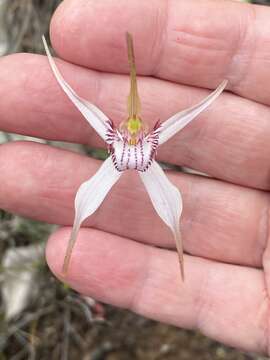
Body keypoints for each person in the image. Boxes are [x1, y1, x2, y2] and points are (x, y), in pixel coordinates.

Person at [0, 0, 269, 355]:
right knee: (83, 208)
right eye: (130, 127)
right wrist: (53, 63)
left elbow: (192, 111)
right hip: (130, 161)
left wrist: (215, 94)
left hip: (135, 161)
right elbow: (76, 98)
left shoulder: (139, 142)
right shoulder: (125, 139)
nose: (132, 126)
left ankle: (176, 253)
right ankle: (74, 247)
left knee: (171, 214)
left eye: (136, 127)